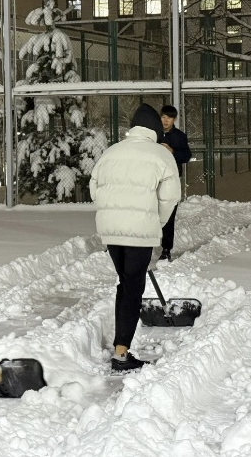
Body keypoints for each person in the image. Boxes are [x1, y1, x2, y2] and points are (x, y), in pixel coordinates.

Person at [89, 103, 181, 371]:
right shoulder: (161, 156)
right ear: (154, 130)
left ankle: (121, 348)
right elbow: (171, 197)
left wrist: (110, 212)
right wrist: (157, 223)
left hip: (111, 232)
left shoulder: (111, 152)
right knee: (132, 288)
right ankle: (120, 354)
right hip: (140, 233)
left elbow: (94, 187)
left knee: (126, 284)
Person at [159, 105, 192, 261]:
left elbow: (186, 156)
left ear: (174, 119)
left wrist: (172, 152)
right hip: (153, 180)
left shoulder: (179, 136)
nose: (166, 121)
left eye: (169, 117)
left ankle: (166, 249)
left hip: (171, 181)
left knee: (169, 215)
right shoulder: (154, 135)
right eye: (163, 117)